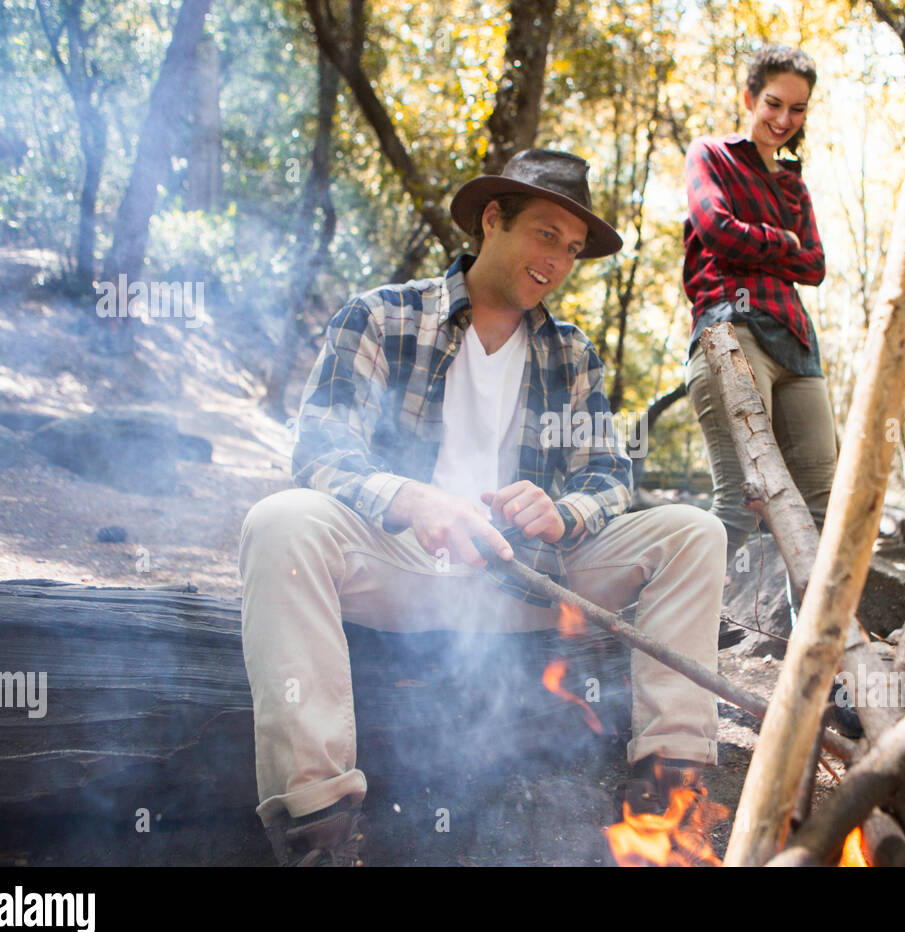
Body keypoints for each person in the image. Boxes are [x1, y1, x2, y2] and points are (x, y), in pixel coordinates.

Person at [239, 149, 726, 866]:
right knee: (278, 523)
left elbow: (610, 476)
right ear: (493, 220)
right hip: (402, 571)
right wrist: (410, 498)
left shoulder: (572, 356)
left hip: (528, 580)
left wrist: (563, 513)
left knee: (694, 532)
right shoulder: (382, 317)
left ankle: (672, 812)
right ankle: (320, 834)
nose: (557, 260)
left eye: (572, 248)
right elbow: (319, 449)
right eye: (545, 234)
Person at [682, 45, 838, 568]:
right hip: (732, 331)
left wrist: (773, 247)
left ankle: (813, 645)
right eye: (774, 103)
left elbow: (815, 266)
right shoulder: (711, 155)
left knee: (820, 503)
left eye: (798, 110)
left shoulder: (794, 184)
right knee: (741, 504)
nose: (784, 119)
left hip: (797, 345)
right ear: (750, 97)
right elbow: (719, 233)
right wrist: (784, 243)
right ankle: (662, 632)